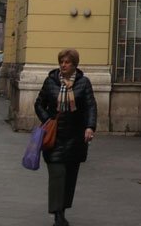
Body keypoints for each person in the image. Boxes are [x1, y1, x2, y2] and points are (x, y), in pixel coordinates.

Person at [34, 48, 97, 226]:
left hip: (75, 137)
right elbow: (39, 104)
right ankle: (57, 215)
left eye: (67, 62)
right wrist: (47, 120)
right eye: (61, 61)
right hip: (54, 137)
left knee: (69, 177)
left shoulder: (84, 83)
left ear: (74, 64)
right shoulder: (50, 81)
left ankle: (62, 208)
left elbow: (91, 106)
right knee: (57, 175)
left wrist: (90, 127)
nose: (63, 65)